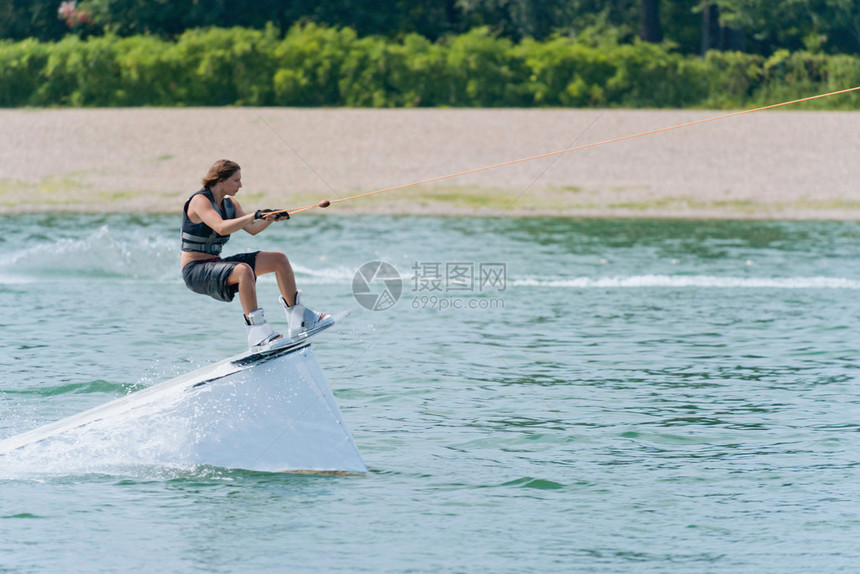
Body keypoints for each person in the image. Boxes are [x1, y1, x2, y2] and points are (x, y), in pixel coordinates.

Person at [180, 159, 330, 348]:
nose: (240, 185)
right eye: (236, 180)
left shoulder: (230, 204)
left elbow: (252, 229)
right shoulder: (200, 201)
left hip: (215, 264)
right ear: (220, 180)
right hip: (195, 271)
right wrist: (254, 214)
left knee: (279, 259)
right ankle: (257, 333)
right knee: (243, 271)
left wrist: (269, 218)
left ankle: (298, 318)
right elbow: (221, 227)